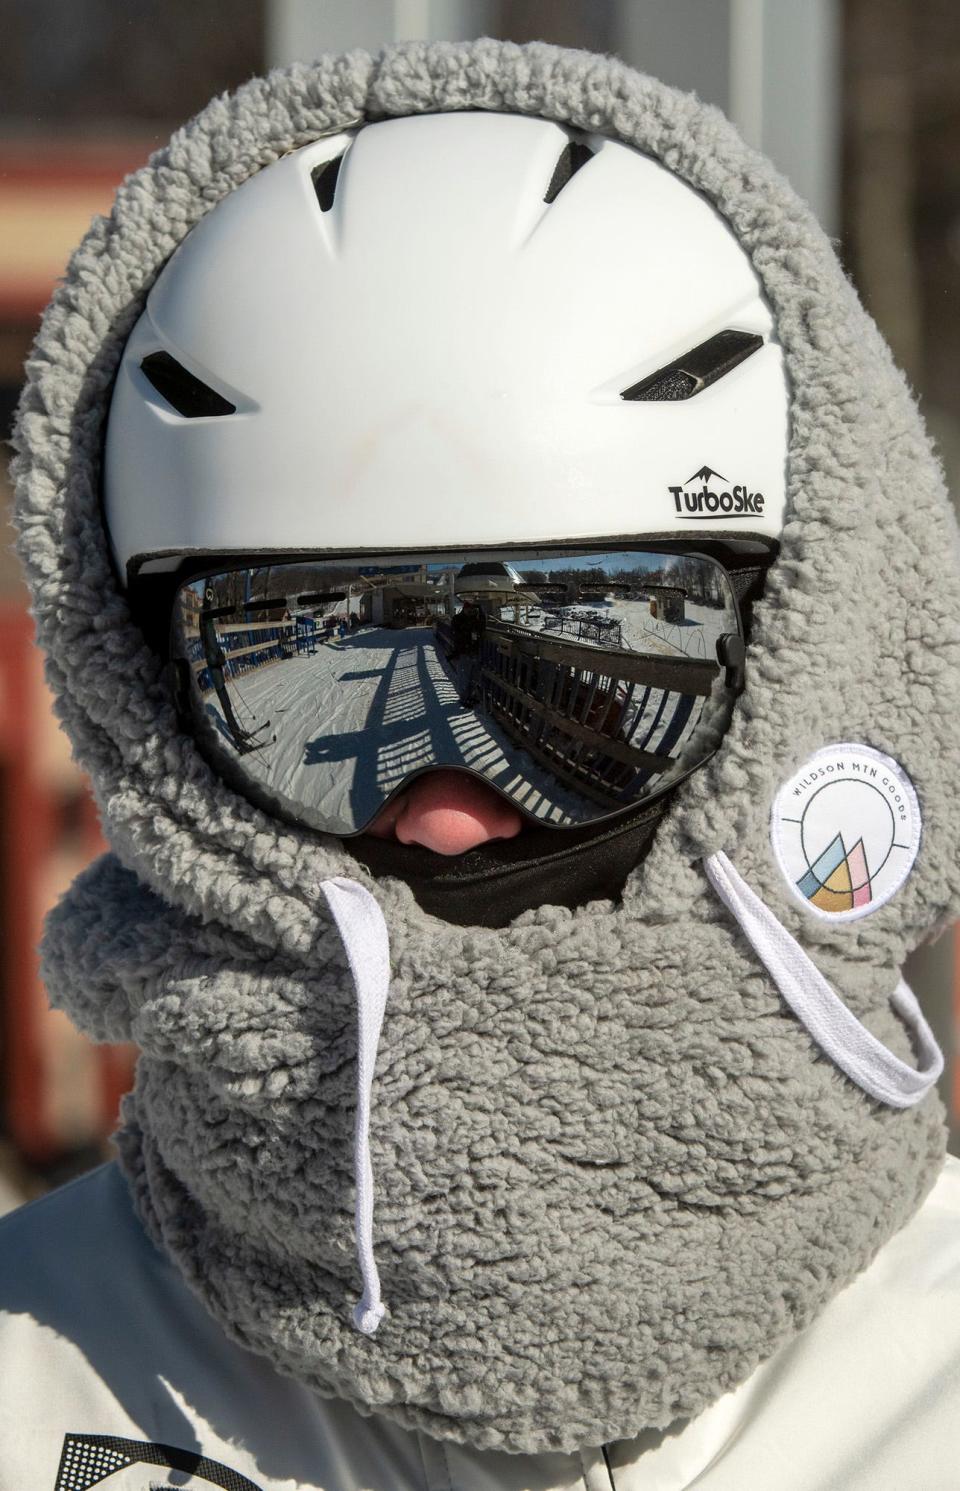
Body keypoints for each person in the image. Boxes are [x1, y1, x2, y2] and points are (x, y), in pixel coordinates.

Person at [3, 38, 960, 1491]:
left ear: (806, 666)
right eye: (298, 677)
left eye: (566, 680)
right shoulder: (37, 1369)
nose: (447, 815)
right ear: (153, 715)